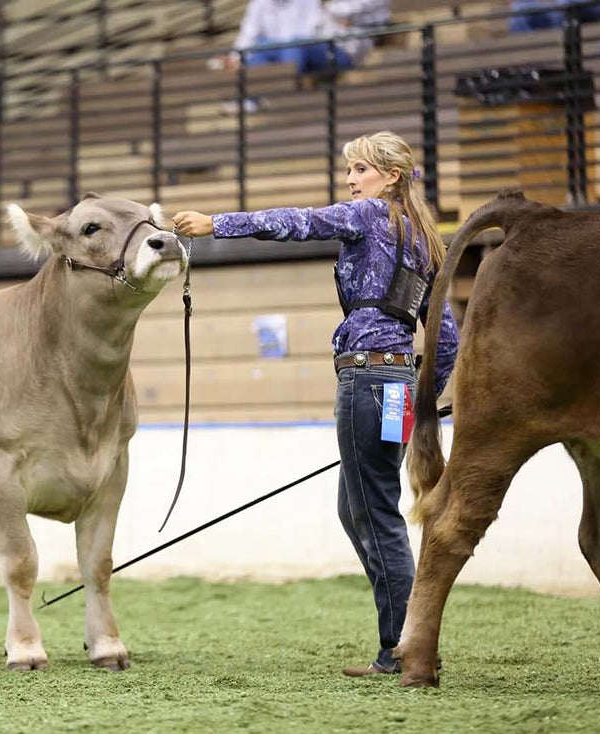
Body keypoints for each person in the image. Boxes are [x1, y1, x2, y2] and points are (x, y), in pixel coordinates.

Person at [173, 131, 460, 677]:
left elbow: (299, 222)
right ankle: (405, 640)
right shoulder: (426, 237)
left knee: (372, 513)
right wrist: (423, 400)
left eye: (359, 169)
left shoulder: (372, 216)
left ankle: (401, 650)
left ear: (390, 177)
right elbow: (445, 339)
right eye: (349, 170)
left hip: (365, 381)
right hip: (398, 385)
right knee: (364, 510)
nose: (350, 180)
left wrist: (217, 224)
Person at [212, 0, 390, 77]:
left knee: (294, 46)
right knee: (259, 49)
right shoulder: (260, 3)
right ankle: (251, 99)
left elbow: (311, 32)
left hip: (332, 48)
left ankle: (288, 96)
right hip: (288, 49)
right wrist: (236, 56)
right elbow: (248, 32)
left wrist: (331, 11)